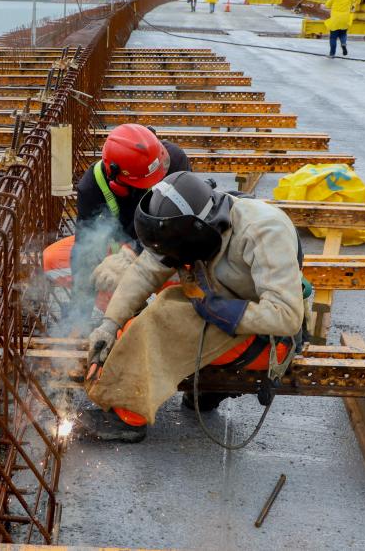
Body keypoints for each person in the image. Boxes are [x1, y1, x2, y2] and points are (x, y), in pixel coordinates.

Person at [77, 172, 310, 443]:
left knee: (159, 320)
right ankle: (207, 392)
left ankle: (128, 419)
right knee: (152, 311)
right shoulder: (199, 220)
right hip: (226, 307)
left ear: (197, 231)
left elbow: (287, 316)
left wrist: (222, 312)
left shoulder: (265, 231)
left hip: (269, 342)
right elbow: (145, 272)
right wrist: (109, 325)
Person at [42, 124, 190, 312]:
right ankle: (124, 312)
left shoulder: (173, 162)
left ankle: (170, 315)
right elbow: (83, 249)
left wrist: (132, 254)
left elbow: (181, 227)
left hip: (165, 249)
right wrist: (80, 312)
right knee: (52, 260)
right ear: (117, 179)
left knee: (187, 269)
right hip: (118, 250)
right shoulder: (92, 186)